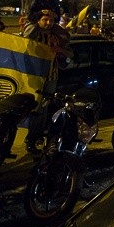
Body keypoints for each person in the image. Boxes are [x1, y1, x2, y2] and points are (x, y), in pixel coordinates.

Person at [21, 9, 74, 152]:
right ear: (38, 20)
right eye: (45, 20)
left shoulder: (56, 37)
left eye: (51, 20)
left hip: (51, 77)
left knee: (42, 109)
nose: (48, 23)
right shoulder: (33, 34)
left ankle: (33, 139)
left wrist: (60, 50)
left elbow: (70, 53)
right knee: (29, 107)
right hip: (32, 76)